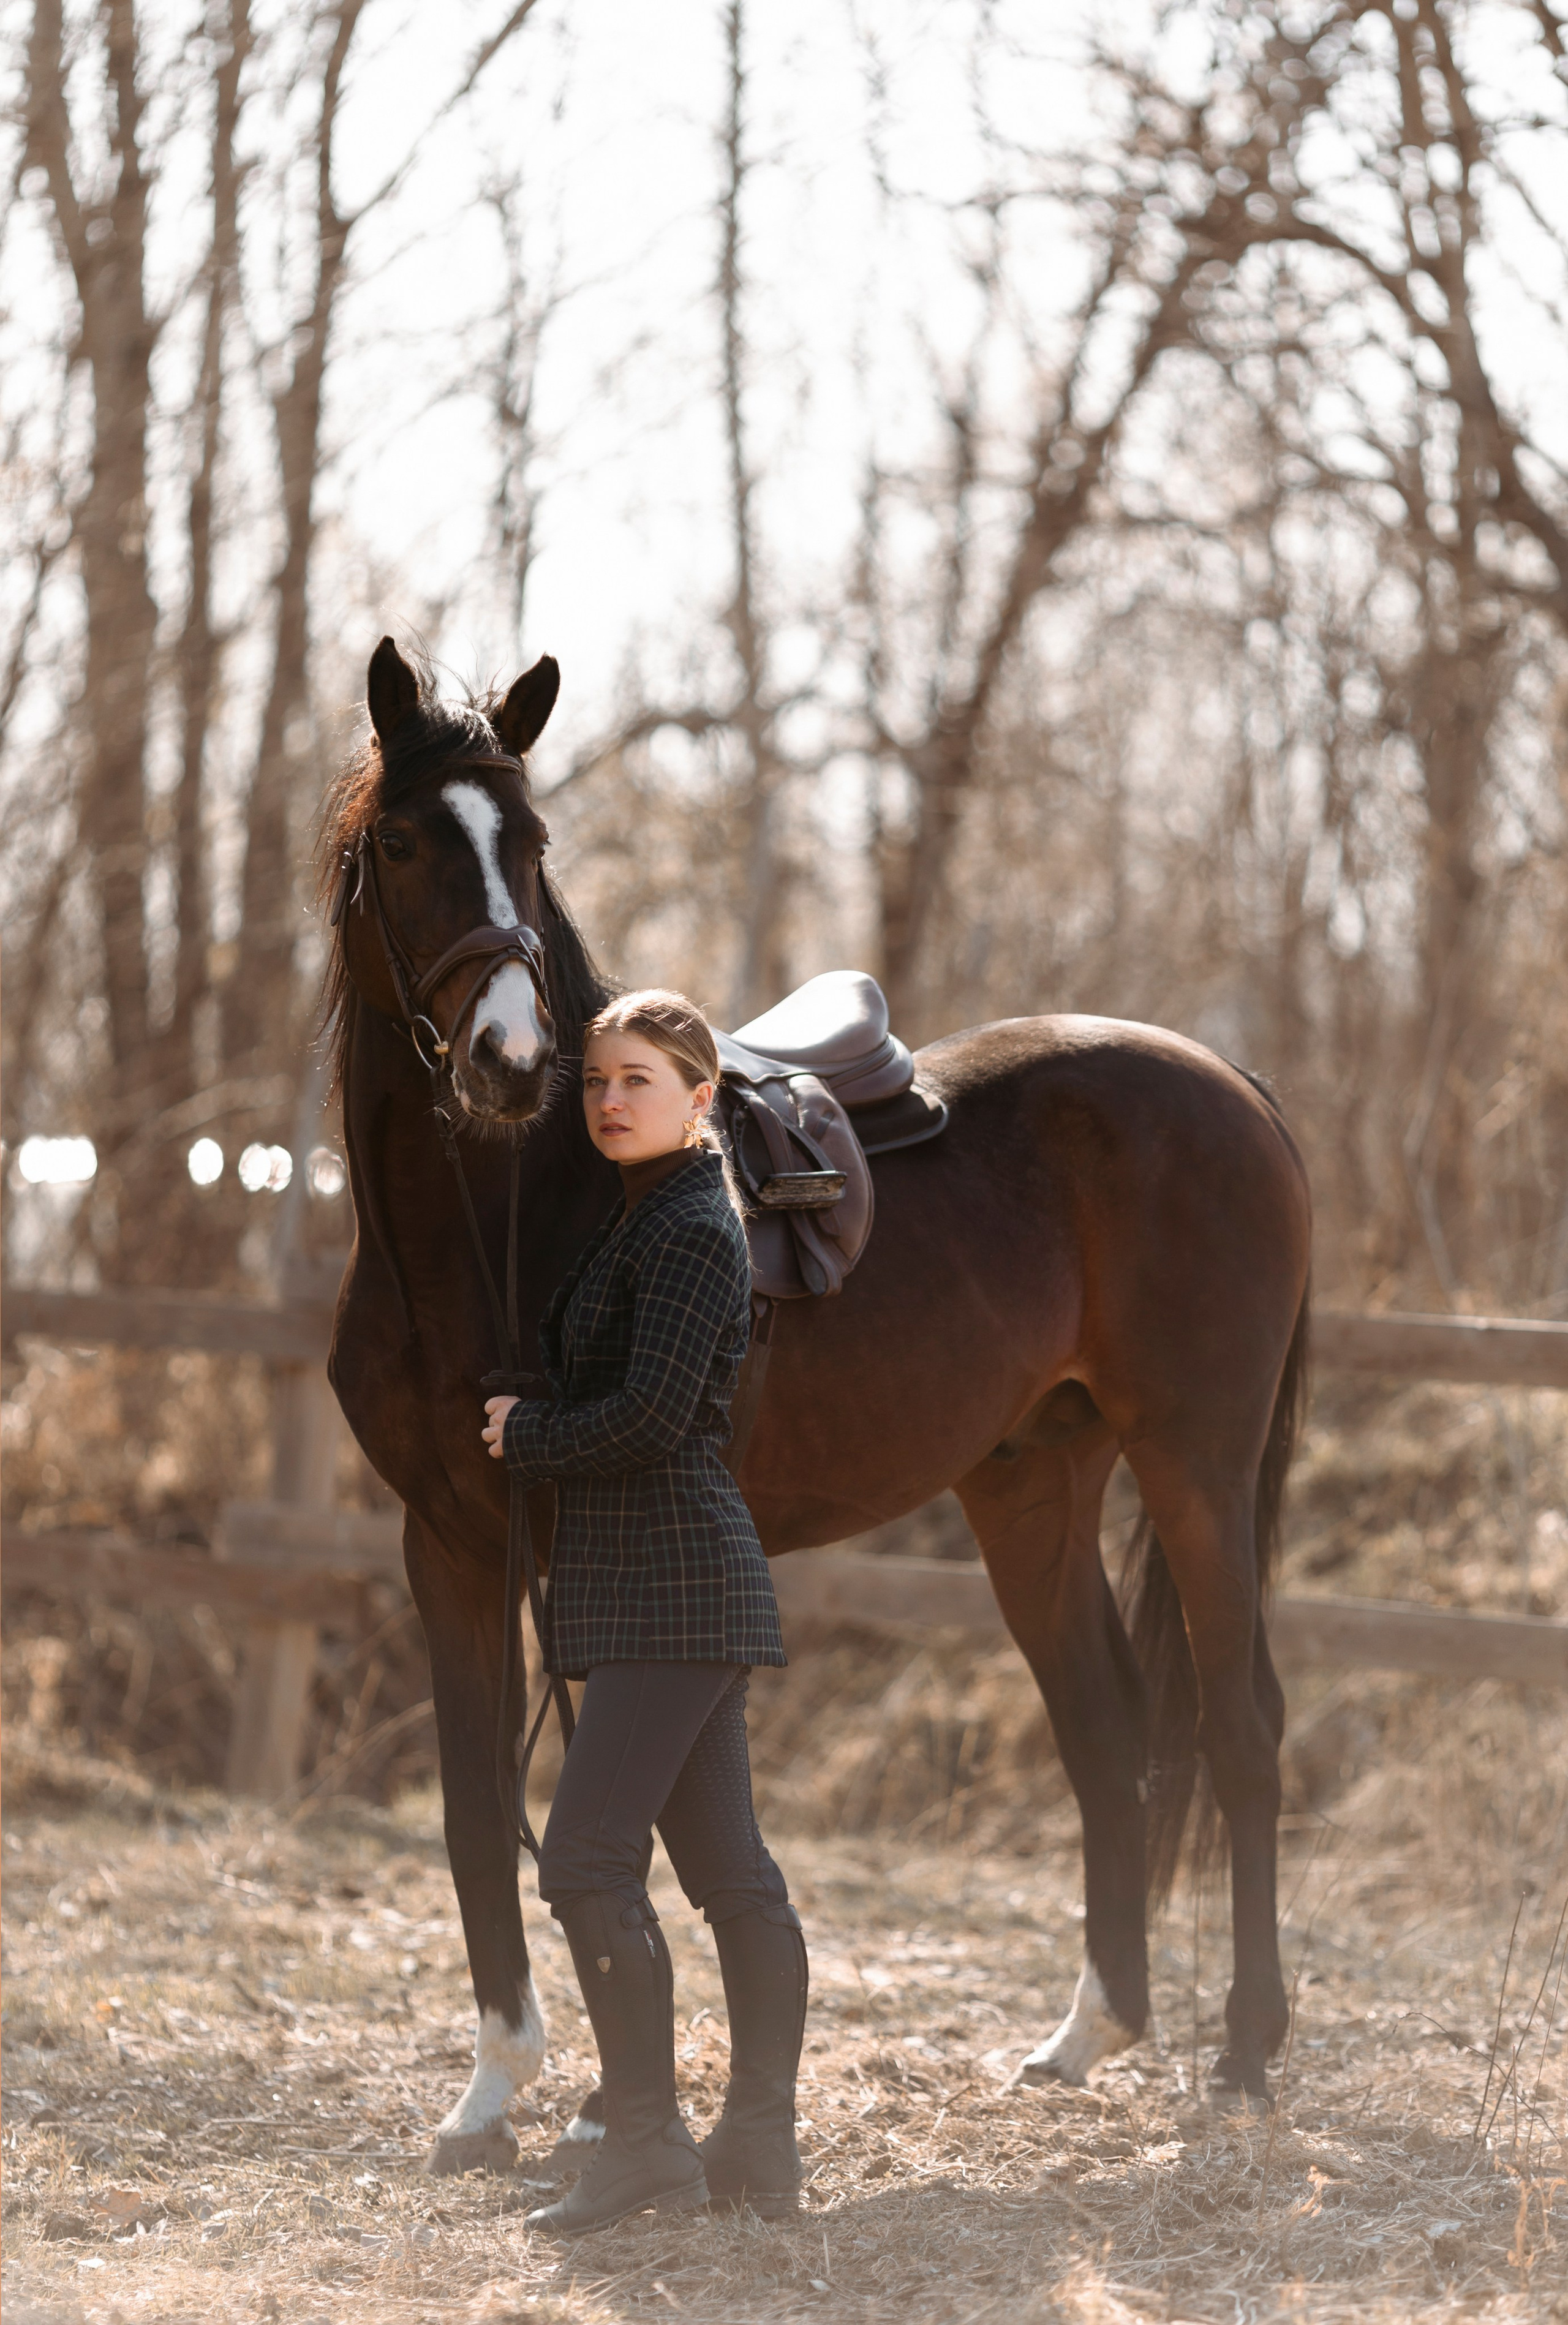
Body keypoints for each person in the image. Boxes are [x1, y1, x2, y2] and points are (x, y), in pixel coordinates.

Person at [481, 989, 807, 2237]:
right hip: (656, 1585)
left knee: (585, 1859)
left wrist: (529, 1434)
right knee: (728, 1869)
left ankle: (644, 2144)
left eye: (639, 1080)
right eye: (598, 1080)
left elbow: (653, 1418)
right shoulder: (648, 1209)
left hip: (674, 1584)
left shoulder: (688, 1225)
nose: (611, 1100)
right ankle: (755, 2147)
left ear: (699, 1097)